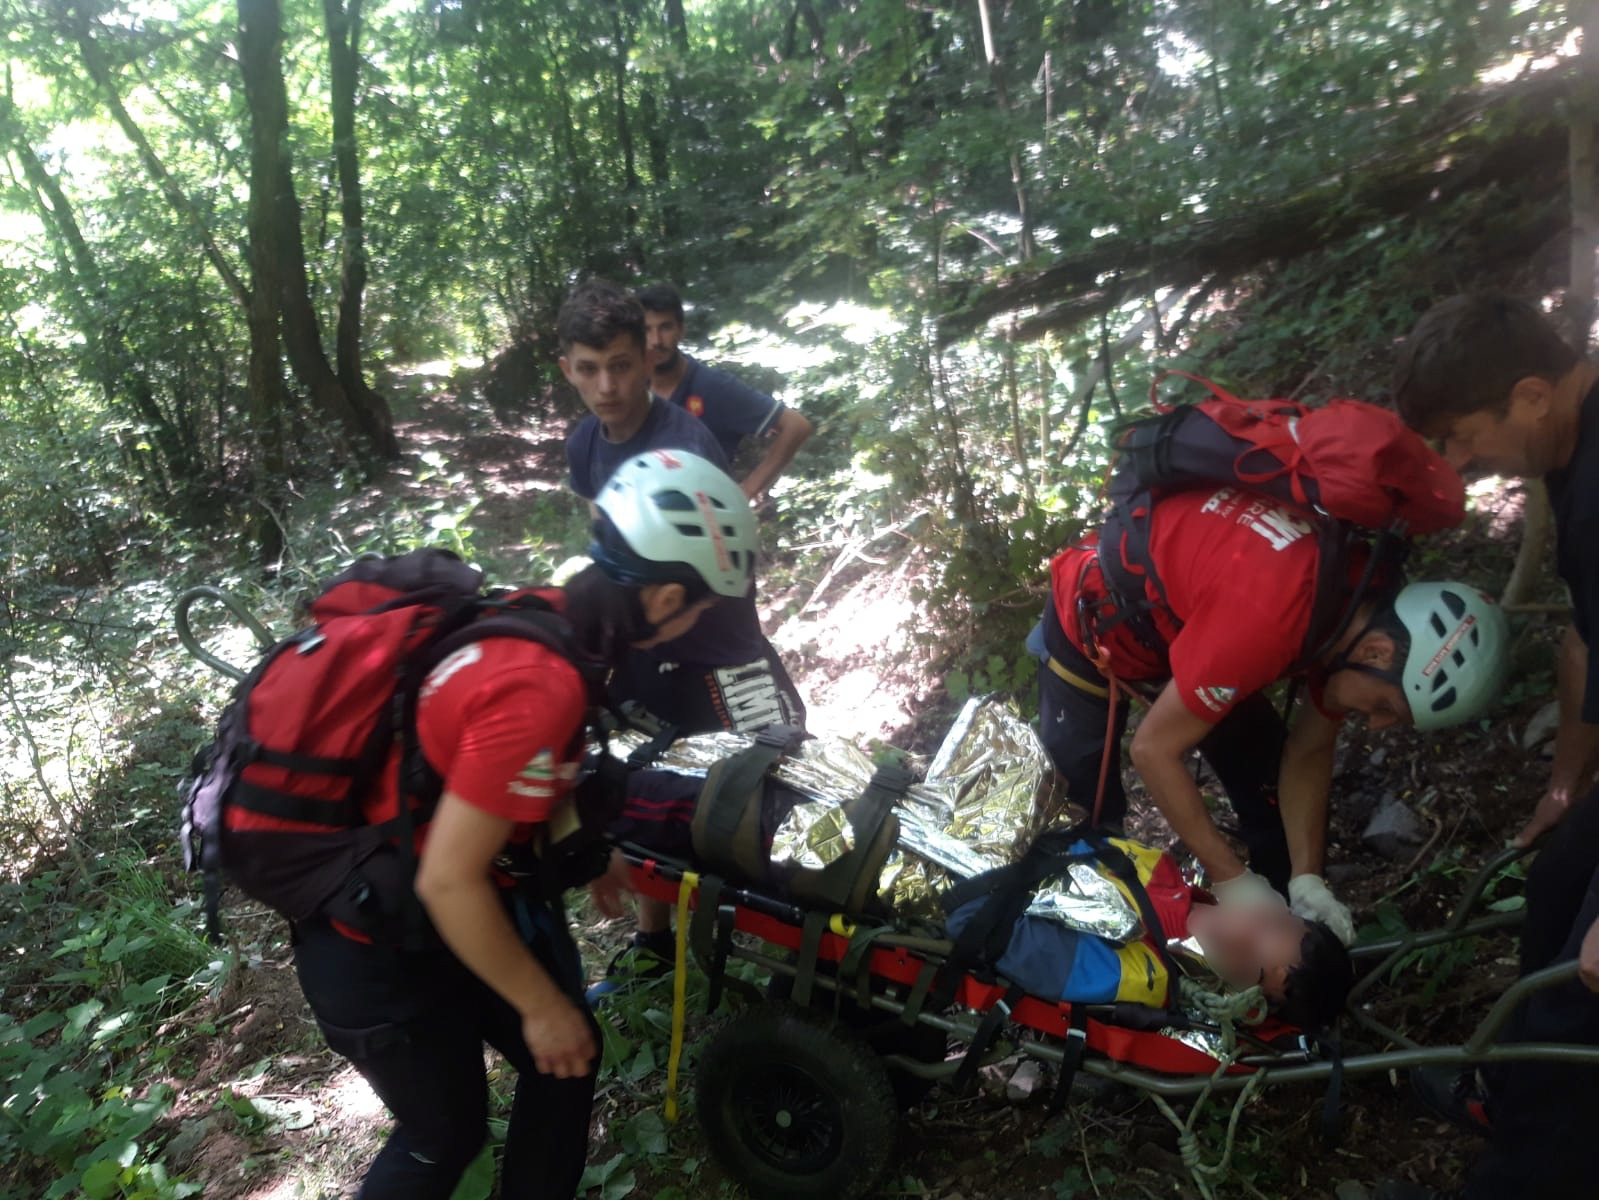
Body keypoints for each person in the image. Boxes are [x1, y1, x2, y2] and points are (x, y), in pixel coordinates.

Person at [289, 451, 759, 1200]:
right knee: (442, 1136)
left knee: (565, 1057)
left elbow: (490, 769)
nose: (698, 623)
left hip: (412, 894)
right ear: (667, 596)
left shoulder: (549, 615)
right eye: (701, 607)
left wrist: (583, 843)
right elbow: (451, 878)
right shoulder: (538, 684)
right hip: (372, 938)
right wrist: (538, 1007)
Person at [1034, 488, 1509, 945]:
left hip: (1192, 627)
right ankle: (1103, 965)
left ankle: (1287, 939)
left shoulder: (1353, 597)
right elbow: (1154, 750)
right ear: (1378, 651)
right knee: (1087, 824)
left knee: (1266, 785)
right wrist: (1231, 879)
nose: (1378, 723)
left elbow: (1310, 749)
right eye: (1388, 707)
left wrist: (1307, 879)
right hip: (1092, 631)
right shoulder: (1272, 621)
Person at [1375, 292, 1599, 1200]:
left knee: (1585, 1003)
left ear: (1532, 393)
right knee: (1554, 882)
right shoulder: (1569, 454)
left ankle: (1531, 1172)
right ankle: (1509, 1092)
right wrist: (1563, 787)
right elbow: (1586, 637)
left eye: (1466, 438)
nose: (1462, 467)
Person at [559, 278, 805, 995]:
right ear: (567, 368)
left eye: (621, 365)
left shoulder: (683, 443)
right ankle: (653, 945)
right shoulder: (585, 444)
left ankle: (796, 944)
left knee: (764, 784)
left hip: (716, 646)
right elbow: (604, 540)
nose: (607, 386)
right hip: (643, 649)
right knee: (639, 788)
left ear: (647, 360)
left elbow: (708, 565)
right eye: (588, 369)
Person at [637, 282, 814, 501]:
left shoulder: (711, 386)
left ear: (681, 330)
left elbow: (797, 426)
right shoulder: (633, 389)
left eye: (665, 327)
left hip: (707, 526)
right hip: (648, 523)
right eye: (646, 330)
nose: (656, 341)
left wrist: (747, 491)